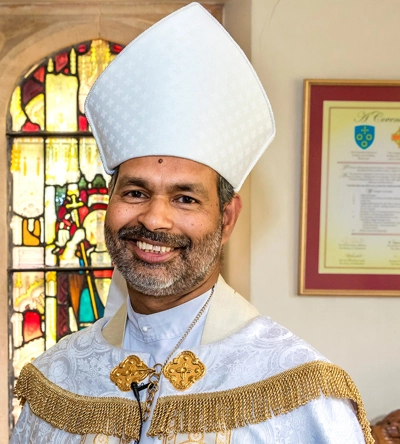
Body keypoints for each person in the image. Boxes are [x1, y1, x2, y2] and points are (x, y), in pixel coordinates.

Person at [11, 3, 373, 443]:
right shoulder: (56, 381)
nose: (154, 218)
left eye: (185, 198)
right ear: (109, 203)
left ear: (228, 217)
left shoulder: (301, 395)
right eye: (135, 192)